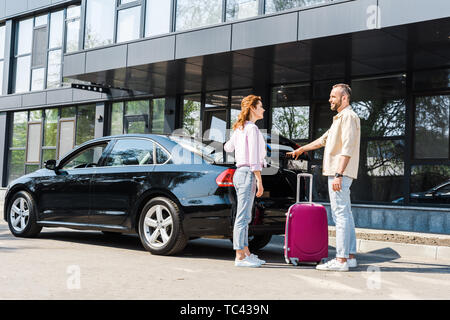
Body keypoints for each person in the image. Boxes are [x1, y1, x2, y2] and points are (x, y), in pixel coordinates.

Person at [287, 84, 360, 272]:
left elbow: (347, 148)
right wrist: (302, 149)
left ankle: (341, 260)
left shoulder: (349, 117)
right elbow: (323, 140)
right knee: (347, 214)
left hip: (339, 173)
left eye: (333, 96)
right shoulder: (339, 119)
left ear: (344, 98)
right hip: (338, 173)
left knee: (340, 215)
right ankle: (350, 256)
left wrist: (339, 174)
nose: (330, 100)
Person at [224, 95, 267, 268]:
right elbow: (254, 158)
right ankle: (240, 256)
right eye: (261, 106)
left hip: (238, 173)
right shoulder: (252, 130)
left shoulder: (241, 128)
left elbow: (227, 147)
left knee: (245, 215)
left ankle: (246, 252)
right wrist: (259, 180)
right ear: (253, 109)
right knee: (243, 216)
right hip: (247, 173)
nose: (263, 109)